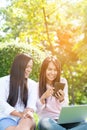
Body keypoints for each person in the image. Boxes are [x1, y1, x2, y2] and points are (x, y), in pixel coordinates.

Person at [36, 55, 87, 130]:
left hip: (62, 120)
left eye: (55, 70)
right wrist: (43, 98)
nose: (53, 73)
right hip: (48, 120)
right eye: (50, 69)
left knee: (84, 123)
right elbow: (37, 110)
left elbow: (65, 106)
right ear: (44, 70)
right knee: (44, 122)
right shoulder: (37, 86)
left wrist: (62, 99)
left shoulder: (62, 81)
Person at [0, 53, 38, 130]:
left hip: (26, 118)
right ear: (18, 66)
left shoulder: (32, 84)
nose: (29, 70)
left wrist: (28, 111)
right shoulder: (3, 81)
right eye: (27, 67)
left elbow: (31, 105)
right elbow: (1, 103)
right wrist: (19, 114)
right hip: (7, 117)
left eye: (30, 67)